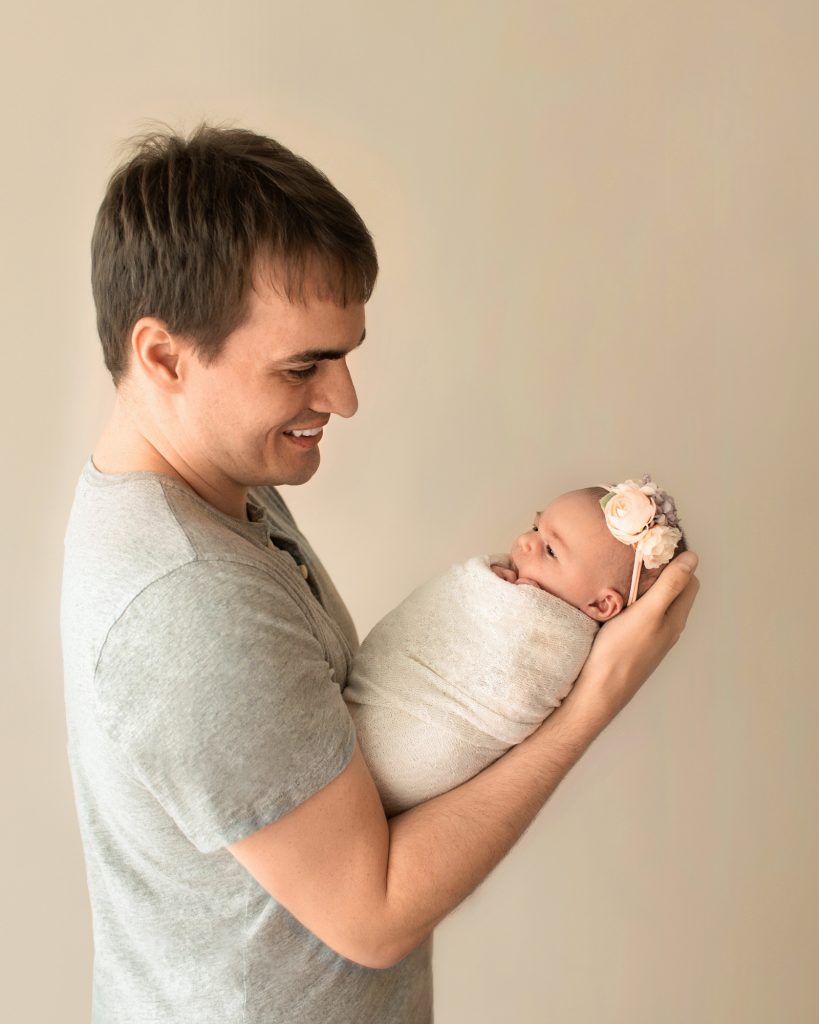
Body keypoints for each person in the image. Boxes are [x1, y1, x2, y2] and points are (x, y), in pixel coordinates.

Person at [61, 124, 700, 1024]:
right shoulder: (184, 606)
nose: (343, 397)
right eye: (302, 366)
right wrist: (592, 699)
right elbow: (372, 913)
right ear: (164, 356)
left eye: (345, 352)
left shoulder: (217, 490)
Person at [345, 478, 688, 816]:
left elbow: (519, 687)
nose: (526, 542)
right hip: (387, 695)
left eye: (551, 550)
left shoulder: (558, 642)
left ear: (601, 607)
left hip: (421, 751)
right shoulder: (504, 581)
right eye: (536, 528)